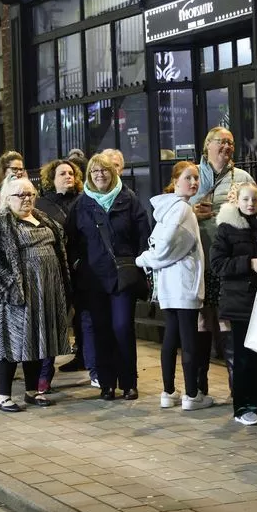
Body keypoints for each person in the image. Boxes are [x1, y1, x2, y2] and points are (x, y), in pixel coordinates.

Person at [0, 175, 72, 412]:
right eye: (20, 195)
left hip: (45, 291)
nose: (26, 199)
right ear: (7, 198)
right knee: (10, 343)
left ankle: (32, 391)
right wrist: (10, 284)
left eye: (30, 194)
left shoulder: (43, 218)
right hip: (16, 295)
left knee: (37, 340)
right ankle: (3, 396)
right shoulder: (0, 222)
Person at [68, 152, 152, 401]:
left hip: (123, 276)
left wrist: (140, 262)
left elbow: (142, 234)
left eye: (104, 170)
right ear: (90, 176)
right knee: (101, 329)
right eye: (95, 171)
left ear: (113, 172)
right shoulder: (82, 203)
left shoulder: (128, 198)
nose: (100, 175)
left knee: (122, 326)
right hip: (93, 278)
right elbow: (71, 239)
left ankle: (128, 382)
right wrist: (77, 263)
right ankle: (107, 383)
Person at [137, 161, 211, 412]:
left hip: (169, 284)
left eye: (196, 178)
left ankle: (169, 392)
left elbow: (162, 245)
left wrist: (150, 259)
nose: (194, 182)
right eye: (188, 178)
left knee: (171, 337)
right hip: (183, 283)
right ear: (175, 181)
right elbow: (166, 246)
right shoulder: (181, 209)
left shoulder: (169, 208)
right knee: (188, 339)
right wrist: (146, 259)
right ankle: (191, 394)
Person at [189, 127, 253, 396]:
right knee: (202, 320)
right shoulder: (191, 174)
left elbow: (255, 208)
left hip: (228, 260)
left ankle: (237, 387)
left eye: (231, 143)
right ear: (207, 146)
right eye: (221, 142)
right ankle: (200, 387)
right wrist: (191, 211)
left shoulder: (242, 177)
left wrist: (239, 207)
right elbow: (173, 207)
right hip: (198, 258)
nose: (226, 147)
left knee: (227, 321)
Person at [211, 180, 257, 424]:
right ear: (236, 201)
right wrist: (249, 263)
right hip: (240, 302)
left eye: (255, 199)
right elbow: (218, 264)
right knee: (242, 357)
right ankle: (243, 406)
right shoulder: (226, 228)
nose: (250, 204)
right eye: (245, 199)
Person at [38, 159, 89, 377]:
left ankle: (84, 356)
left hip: (82, 266)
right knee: (54, 316)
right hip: (55, 267)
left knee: (83, 315)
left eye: (71, 173)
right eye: (62, 174)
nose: (68, 177)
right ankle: (45, 370)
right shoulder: (42, 204)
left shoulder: (83, 200)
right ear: (52, 179)